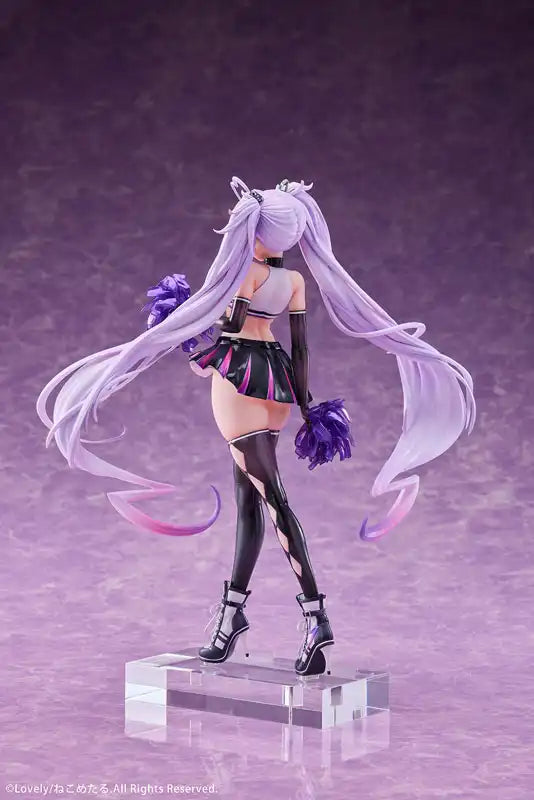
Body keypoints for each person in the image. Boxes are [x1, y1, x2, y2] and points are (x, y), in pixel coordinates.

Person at [36, 177, 476, 676]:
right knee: (249, 503)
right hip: (277, 385)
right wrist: (307, 407)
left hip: (240, 382)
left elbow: (230, 328)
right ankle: (232, 616)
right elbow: (301, 347)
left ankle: (316, 617)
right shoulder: (294, 282)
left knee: (273, 501)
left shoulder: (245, 272)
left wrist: (193, 339)